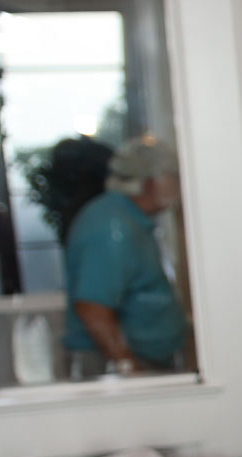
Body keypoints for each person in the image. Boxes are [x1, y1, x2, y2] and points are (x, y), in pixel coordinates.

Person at [61, 137, 187, 378]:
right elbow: (93, 308)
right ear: (152, 183)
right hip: (117, 367)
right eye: (174, 178)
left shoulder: (131, 219)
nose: (180, 187)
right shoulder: (112, 227)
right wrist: (128, 368)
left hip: (142, 361)